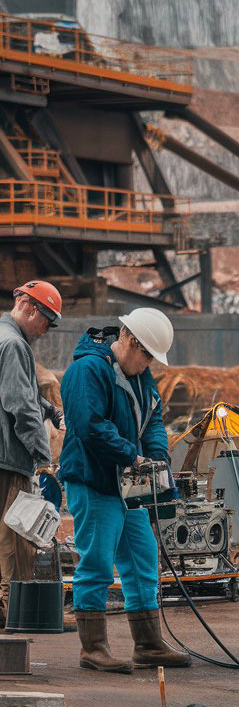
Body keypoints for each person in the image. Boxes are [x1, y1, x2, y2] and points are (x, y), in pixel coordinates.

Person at [59, 308, 190, 674]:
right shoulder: (88, 371)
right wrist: (131, 456)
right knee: (98, 562)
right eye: (147, 354)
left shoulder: (141, 376)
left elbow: (153, 421)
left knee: (143, 559)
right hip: (95, 480)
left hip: (128, 486)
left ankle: (148, 644)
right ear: (130, 340)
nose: (149, 363)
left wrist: (158, 458)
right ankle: (93, 648)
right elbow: (89, 425)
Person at [0, 280, 63, 628]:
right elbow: (19, 406)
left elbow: (16, 391)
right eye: (47, 320)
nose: (45, 330)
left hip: (3, 455)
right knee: (15, 540)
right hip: (10, 459)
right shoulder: (14, 345)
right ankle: (15, 615)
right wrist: (42, 458)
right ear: (28, 306)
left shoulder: (3, 337)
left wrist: (50, 410)